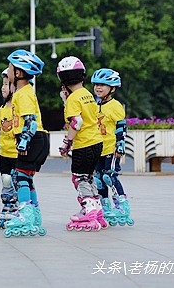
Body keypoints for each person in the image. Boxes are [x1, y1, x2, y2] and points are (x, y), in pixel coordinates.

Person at [1, 50, 49, 238]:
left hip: (32, 138)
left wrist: (23, 142)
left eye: (11, 68)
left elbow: (31, 120)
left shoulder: (23, 93)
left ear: (19, 73)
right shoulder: (23, 92)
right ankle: (34, 213)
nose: (9, 71)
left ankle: (24, 213)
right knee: (26, 178)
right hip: (35, 139)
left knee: (20, 177)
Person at [57, 56, 105, 231]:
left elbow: (76, 122)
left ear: (62, 79)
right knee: (90, 176)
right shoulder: (88, 95)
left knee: (79, 177)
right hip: (97, 142)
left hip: (83, 144)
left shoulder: (73, 99)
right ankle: (98, 211)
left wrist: (66, 143)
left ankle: (88, 211)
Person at [91, 68, 134, 226]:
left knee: (110, 176)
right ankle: (104, 206)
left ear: (113, 88)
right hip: (98, 149)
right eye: (96, 85)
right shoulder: (95, 105)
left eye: (103, 85)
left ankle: (121, 206)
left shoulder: (115, 106)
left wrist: (120, 145)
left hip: (111, 149)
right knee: (98, 179)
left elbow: (121, 127)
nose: (98, 88)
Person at [0, 67, 19, 230]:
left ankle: (18, 207)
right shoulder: (2, 109)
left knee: (18, 181)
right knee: (6, 180)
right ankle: (7, 205)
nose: (3, 88)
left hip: (18, 153)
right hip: (4, 153)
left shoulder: (19, 108)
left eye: (6, 84)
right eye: (2, 84)